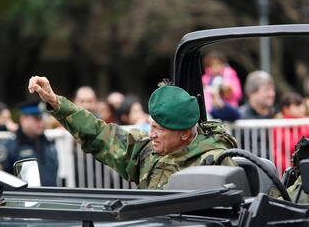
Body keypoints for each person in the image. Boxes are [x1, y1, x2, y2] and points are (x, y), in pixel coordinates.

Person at [28, 76, 237, 189]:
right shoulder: (147, 152)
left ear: (185, 134)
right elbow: (98, 134)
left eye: (160, 129)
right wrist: (55, 102)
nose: (152, 134)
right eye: (151, 126)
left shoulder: (215, 163)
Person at [0, 100, 58, 186]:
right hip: (21, 198)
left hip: (50, 197)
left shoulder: (48, 143)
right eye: (37, 118)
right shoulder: (9, 146)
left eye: (43, 118)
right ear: (23, 119)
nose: (41, 122)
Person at [273, 92, 309, 176]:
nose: (301, 108)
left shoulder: (306, 121)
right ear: (286, 109)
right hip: (286, 168)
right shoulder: (280, 124)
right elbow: (291, 146)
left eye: (302, 105)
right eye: (297, 105)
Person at [202, 51, 243, 119]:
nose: (216, 67)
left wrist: (228, 91)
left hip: (229, 113)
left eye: (218, 64)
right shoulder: (204, 79)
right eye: (213, 65)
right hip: (211, 113)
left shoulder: (230, 75)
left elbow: (238, 94)